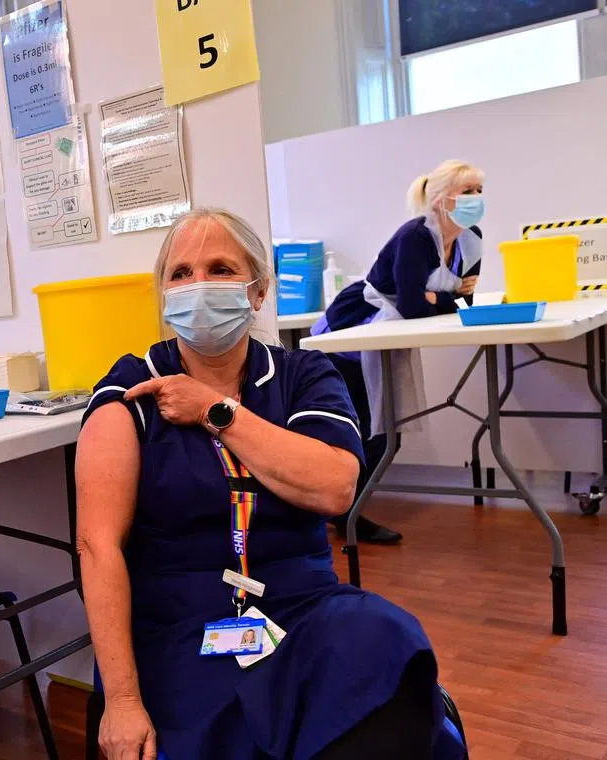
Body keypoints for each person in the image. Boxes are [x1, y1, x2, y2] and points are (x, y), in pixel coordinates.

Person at [76, 209, 454, 760]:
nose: (198, 285)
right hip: (180, 624)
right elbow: (97, 545)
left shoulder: (304, 376)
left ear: (257, 292)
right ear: (162, 293)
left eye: (220, 268)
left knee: (384, 642)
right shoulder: (130, 391)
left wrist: (215, 410)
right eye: (180, 273)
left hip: (300, 606)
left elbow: (333, 489)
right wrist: (123, 699)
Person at [314, 159, 485, 546]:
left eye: (479, 190)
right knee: (368, 431)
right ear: (442, 199)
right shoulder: (414, 236)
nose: (477, 199)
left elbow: (466, 300)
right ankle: (344, 514)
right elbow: (414, 305)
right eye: (468, 191)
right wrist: (445, 296)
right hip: (355, 332)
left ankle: (344, 511)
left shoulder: (471, 237)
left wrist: (437, 297)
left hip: (389, 336)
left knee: (386, 431)